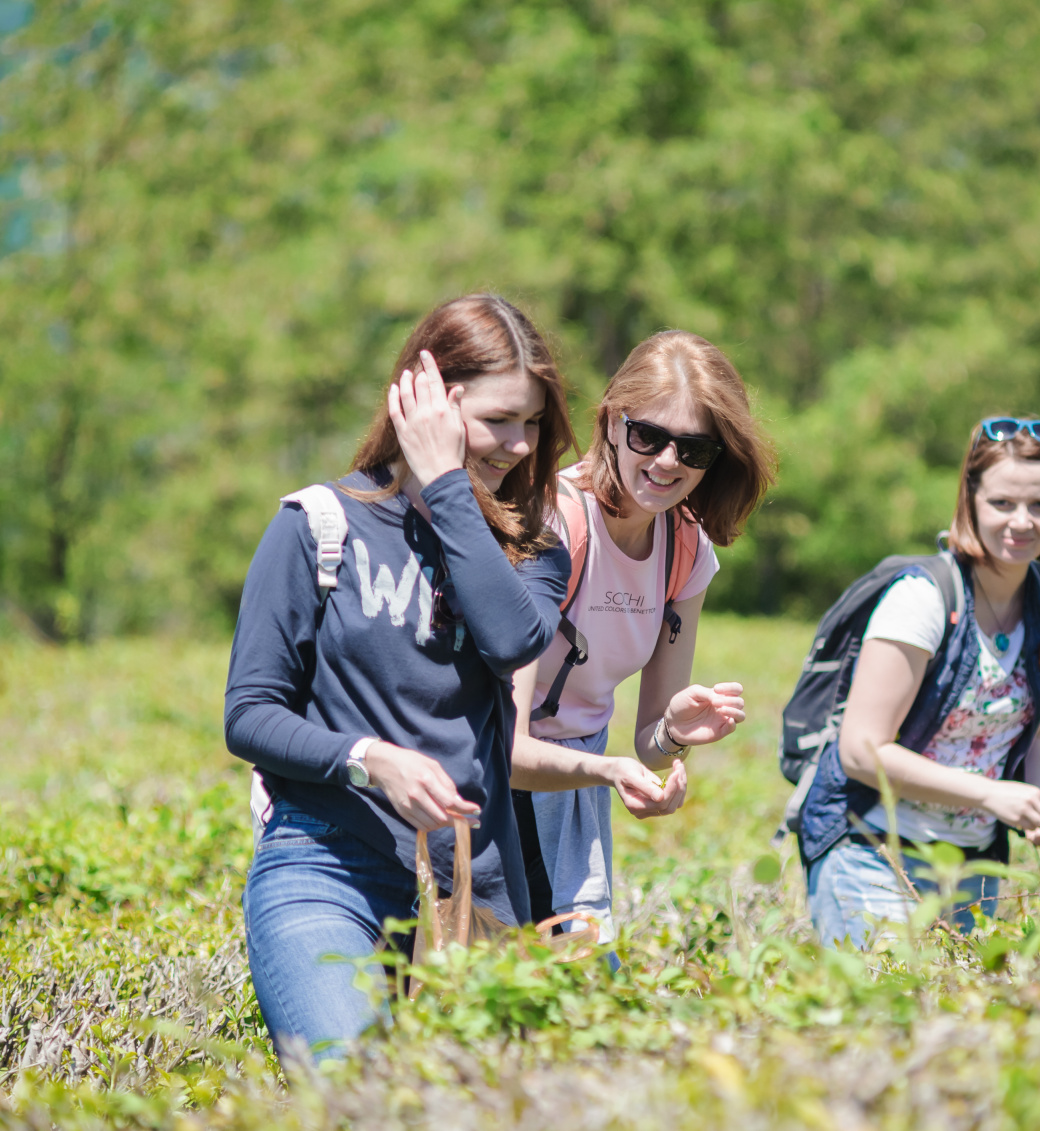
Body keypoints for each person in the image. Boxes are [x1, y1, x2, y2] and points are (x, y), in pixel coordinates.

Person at [224, 294, 575, 1060]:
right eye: (497, 419)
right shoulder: (320, 523)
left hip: (474, 897)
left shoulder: (536, 551)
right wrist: (370, 758)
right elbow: (248, 713)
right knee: (353, 1093)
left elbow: (512, 639)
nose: (518, 444)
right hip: (328, 867)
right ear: (425, 401)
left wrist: (446, 484)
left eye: (534, 421)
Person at [508, 331, 777, 943]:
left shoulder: (685, 550)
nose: (666, 462)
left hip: (575, 785)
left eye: (695, 448)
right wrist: (606, 770)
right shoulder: (554, 522)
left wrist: (675, 734)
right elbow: (504, 747)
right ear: (609, 422)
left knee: (577, 997)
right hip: (486, 787)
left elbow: (650, 745)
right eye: (648, 435)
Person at [796, 417, 1040, 946]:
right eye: (1002, 503)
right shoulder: (924, 598)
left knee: (955, 1021)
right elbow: (862, 752)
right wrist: (990, 795)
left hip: (973, 860)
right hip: (868, 846)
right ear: (970, 500)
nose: (1022, 522)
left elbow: (1035, 741)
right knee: (888, 1008)